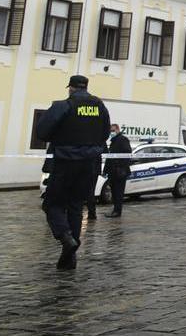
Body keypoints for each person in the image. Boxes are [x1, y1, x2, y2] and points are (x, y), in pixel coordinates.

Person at [36, 75, 110, 270]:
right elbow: (104, 134)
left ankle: (65, 237)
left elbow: (42, 132)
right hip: (89, 164)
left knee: (52, 204)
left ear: (71, 89)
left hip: (66, 162)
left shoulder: (64, 105)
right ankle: (70, 258)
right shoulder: (100, 106)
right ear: (86, 87)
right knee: (76, 207)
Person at [104, 124, 132, 218]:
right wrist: (106, 170)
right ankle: (115, 210)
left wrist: (120, 166)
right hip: (113, 171)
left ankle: (117, 211)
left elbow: (127, 154)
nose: (111, 133)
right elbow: (110, 157)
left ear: (117, 130)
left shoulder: (122, 139)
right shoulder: (114, 141)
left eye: (112, 131)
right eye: (110, 131)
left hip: (119, 172)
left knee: (118, 192)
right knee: (114, 192)